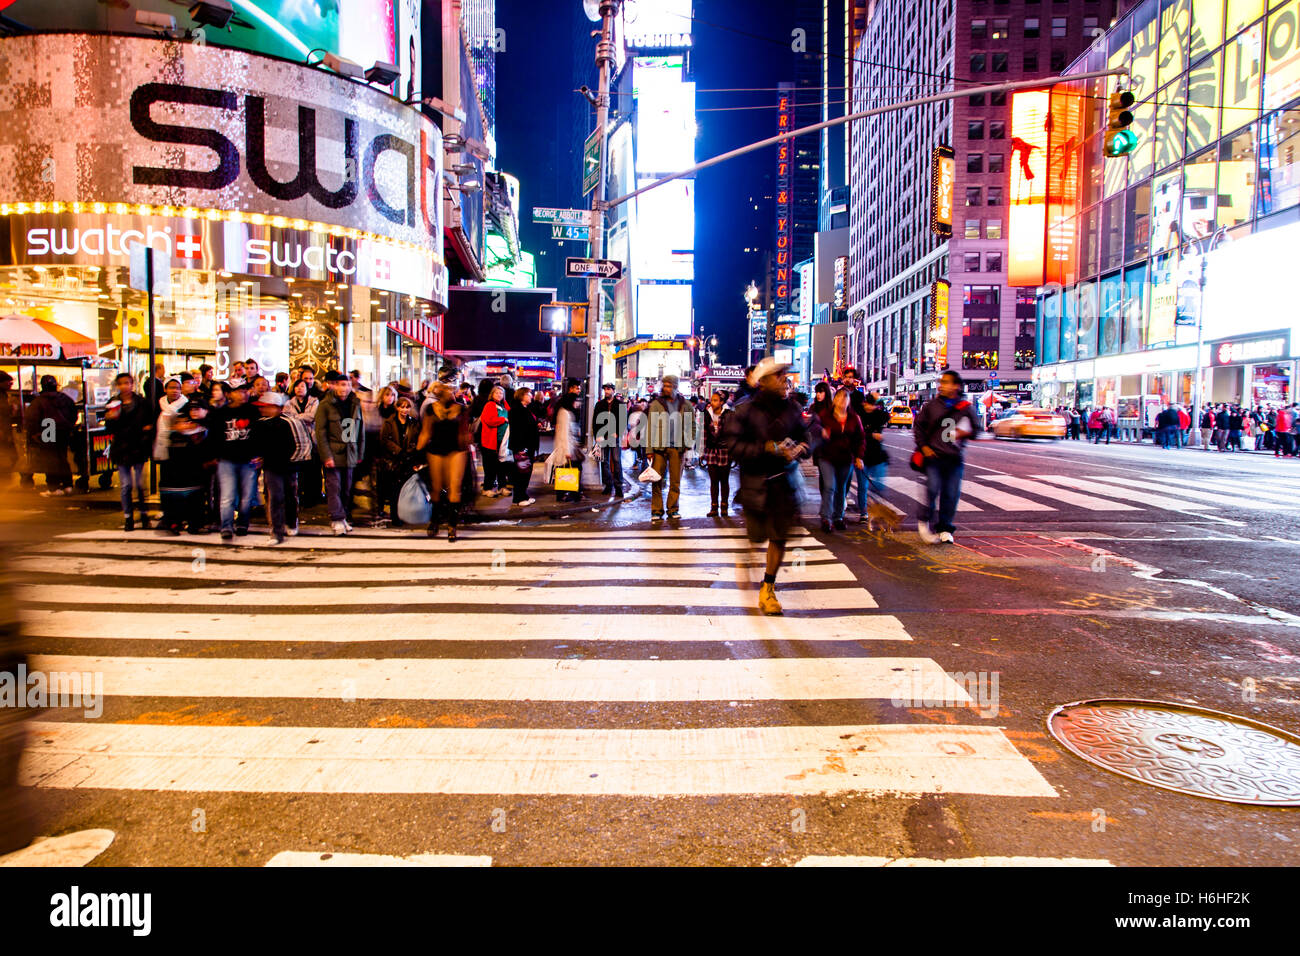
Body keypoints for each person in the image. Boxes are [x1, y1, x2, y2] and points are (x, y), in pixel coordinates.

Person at [723, 358, 810, 615]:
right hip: (755, 484)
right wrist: (766, 448)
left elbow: (806, 435)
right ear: (764, 381)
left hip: (784, 482)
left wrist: (803, 448)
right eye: (779, 375)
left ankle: (768, 588)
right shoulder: (745, 410)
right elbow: (733, 446)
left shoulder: (793, 408)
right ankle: (749, 554)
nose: (785, 379)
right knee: (758, 536)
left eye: (785, 374)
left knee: (779, 536)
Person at [912, 370, 979, 544]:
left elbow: (977, 430)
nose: (942, 385)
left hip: (954, 458)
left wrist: (964, 432)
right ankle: (924, 521)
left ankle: (945, 528)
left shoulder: (966, 407)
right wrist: (924, 447)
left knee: (951, 493)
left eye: (947, 382)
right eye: (941, 382)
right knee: (932, 488)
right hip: (934, 456)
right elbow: (918, 427)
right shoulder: (931, 406)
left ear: (956, 386)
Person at [418, 382, 472, 540]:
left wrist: (468, 449)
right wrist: (415, 452)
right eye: (447, 390)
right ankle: (435, 520)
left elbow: (464, 432)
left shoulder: (461, 408)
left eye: (452, 390)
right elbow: (426, 432)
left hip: (456, 450)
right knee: (436, 487)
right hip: (435, 449)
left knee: (454, 486)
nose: (450, 393)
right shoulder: (430, 408)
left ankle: (452, 525)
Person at [315, 370, 365, 535]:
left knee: (346, 488)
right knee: (334, 486)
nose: (345, 388)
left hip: (350, 451)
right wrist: (326, 455)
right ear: (334, 385)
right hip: (333, 451)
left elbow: (360, 431)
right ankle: (336, 518)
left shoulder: (355, 403)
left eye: (349, 385)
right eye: (342, 384)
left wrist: (359, 453)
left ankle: (343, 517)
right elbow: (320, 432)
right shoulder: (325, 404)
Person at [102, 372, 154, 530]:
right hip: (121, 447)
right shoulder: (114, 403)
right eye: (121, 383)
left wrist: (146, 432)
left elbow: (150, 422)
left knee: (139, 484)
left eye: (127, 383)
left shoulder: (141, 402)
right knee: (125, 485)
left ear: (132, 384)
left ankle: (144, 514)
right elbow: (109, 428)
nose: (124, 386)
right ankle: (128, 518)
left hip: (138, 447)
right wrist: (110, 418)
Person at [812, 387, 866, 533]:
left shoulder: (854, 418)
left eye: (845, 398)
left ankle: (838, 517)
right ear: (835, 399)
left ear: (849, 401)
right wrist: (822, 432)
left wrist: (859, 456)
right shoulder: (825, 415)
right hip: (827, 457)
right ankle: (826, 518)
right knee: (830, 486)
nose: (842, 401)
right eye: (840, 397)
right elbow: (813, 427)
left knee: (841, 489)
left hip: (846, 458)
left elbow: (860, 438)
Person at [209, 384, 259, 539]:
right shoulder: (221, 413)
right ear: (230, 394)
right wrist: (215, 456)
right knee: (227, 495)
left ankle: (243, 523)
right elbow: (215, 436)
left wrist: (259, 454)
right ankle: (227, 526)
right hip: (226, 459)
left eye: (245, 391)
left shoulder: (253, 411)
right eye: (240, 392)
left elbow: (259, 434)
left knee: (247, 495)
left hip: (248, 459)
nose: (243, 394)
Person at [645, 374, 693, 521]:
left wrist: (688, 443)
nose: (665, 388)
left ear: (675, 387)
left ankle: (673, 509)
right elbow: (650, 427)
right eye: (664, 385)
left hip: (677, 448)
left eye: (668, 385)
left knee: (675, 480)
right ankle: (657, 510)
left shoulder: (686, 404)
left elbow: (692, 426)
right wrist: (649, 450)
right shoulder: (656, 404)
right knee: (656, 480)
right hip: (659, 447)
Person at [252, 392, 298, 544]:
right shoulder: (260, 424)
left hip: (289, 465)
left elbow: (297, 444)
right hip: (271, 467)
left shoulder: (288, 422)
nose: (262, 410)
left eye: (266, 407)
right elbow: (257, 444)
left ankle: (291, 522)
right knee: (275, 497)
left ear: (277, 408)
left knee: (290, 495)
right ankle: (276, 532)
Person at [23, 374, 76, 496]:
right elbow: (73, 414)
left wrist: (34, 433)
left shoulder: (38, 401)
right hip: (64, 430)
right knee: (62, 457)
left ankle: (54, 487)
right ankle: (68, 485)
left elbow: (31, 419)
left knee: (50, 459)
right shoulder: (65, 398)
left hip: (48, 428)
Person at [377, 395, 421, 525]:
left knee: (405, 489)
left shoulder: (413, 423)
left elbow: (416, 438)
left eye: (407, 407)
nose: (405, 410)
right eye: (402, 407)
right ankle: (395, 516)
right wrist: (399, 451)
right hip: (394, 460)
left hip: (408, 459)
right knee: (394, 490)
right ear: (397, 408)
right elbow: (385, 440)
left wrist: (410, 452)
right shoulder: (389, 422)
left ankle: (404, 514)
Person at [857, 392, 891, 528]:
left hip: (877, 456)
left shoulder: (879, 414)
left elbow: (886, 416)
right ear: (864, 403)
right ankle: (864, 513)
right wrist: (872, 435)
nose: (871, 407)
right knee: (862, 487)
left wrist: (880, 399)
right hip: (863, 456)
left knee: (878, 486)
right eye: (869, 403)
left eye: (874, 404)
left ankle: (877, 512)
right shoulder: (859, 415)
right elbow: (858, 433)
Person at [592, 382, 627, 500]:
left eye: (608, 389)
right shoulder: (599, 404)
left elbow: (623, 422)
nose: (606, 391)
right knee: (604, 462)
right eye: (605, 389)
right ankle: (608, 485)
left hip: (614, 437)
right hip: (602, 437)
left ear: (613, 390)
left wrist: (617, 433)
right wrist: (597, 435)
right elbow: (595, 421)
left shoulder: (620, 404)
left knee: (617, 461)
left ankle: (618, 487)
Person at [702, 390, 733, 518]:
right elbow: (703, 432)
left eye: (715, 400)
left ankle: (724, 506)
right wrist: (701, 452)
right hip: (710, 450)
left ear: (722, 402)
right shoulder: (706, 413)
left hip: (725, 451)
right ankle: (714, 507)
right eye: (711, 400)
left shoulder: (729, 414)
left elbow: (732, 433)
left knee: (724, 480)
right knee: (713, 480)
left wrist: (733, 450)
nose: (712, 402)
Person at [508, 387, 540, 507]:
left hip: (528, 445)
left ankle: (524, 494)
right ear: (522, 396)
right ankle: (518, 497)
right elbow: (518, 430)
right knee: (521, 472)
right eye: (528, 394)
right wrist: (522, 448)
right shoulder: (516, 411)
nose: (531, 396)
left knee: (526, 471)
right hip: (522, 446)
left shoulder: (526, 409)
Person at [477, 384, 510, 498]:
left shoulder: (504, 405)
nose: (499, 395)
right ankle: (487, 488)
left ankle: (502, 487)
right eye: (497, 393)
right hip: (490, 441)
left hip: (502, 441)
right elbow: (489, 420)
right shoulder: (489, 405)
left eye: (501, 393)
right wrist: (503, 419)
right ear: (492, 394)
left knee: (502, 465)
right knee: (490, 466)